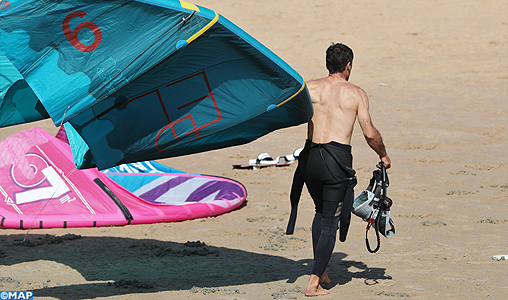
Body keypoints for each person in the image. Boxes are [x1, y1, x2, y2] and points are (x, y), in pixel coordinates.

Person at [287, 42, 391, 296]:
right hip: (335, 161)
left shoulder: (309, 87)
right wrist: (383, 154)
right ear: (348, 66)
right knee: (330, 223)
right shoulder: (356, 93)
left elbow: (288, 112)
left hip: (309, 158)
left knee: (321, 212)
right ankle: (313, 282)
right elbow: (369, 132)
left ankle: (320, 270)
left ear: (327, 65)